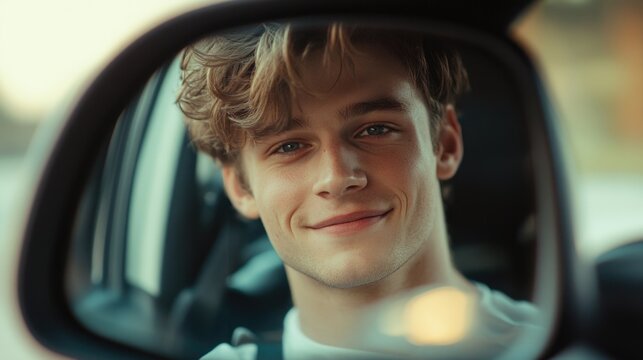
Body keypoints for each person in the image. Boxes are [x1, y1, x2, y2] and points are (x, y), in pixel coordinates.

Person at [177, 22, 541, 360]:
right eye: (288, 147)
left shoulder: (554, 341)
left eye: (375, 129)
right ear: (241, 187)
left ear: (444, 144)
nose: (337, 177)